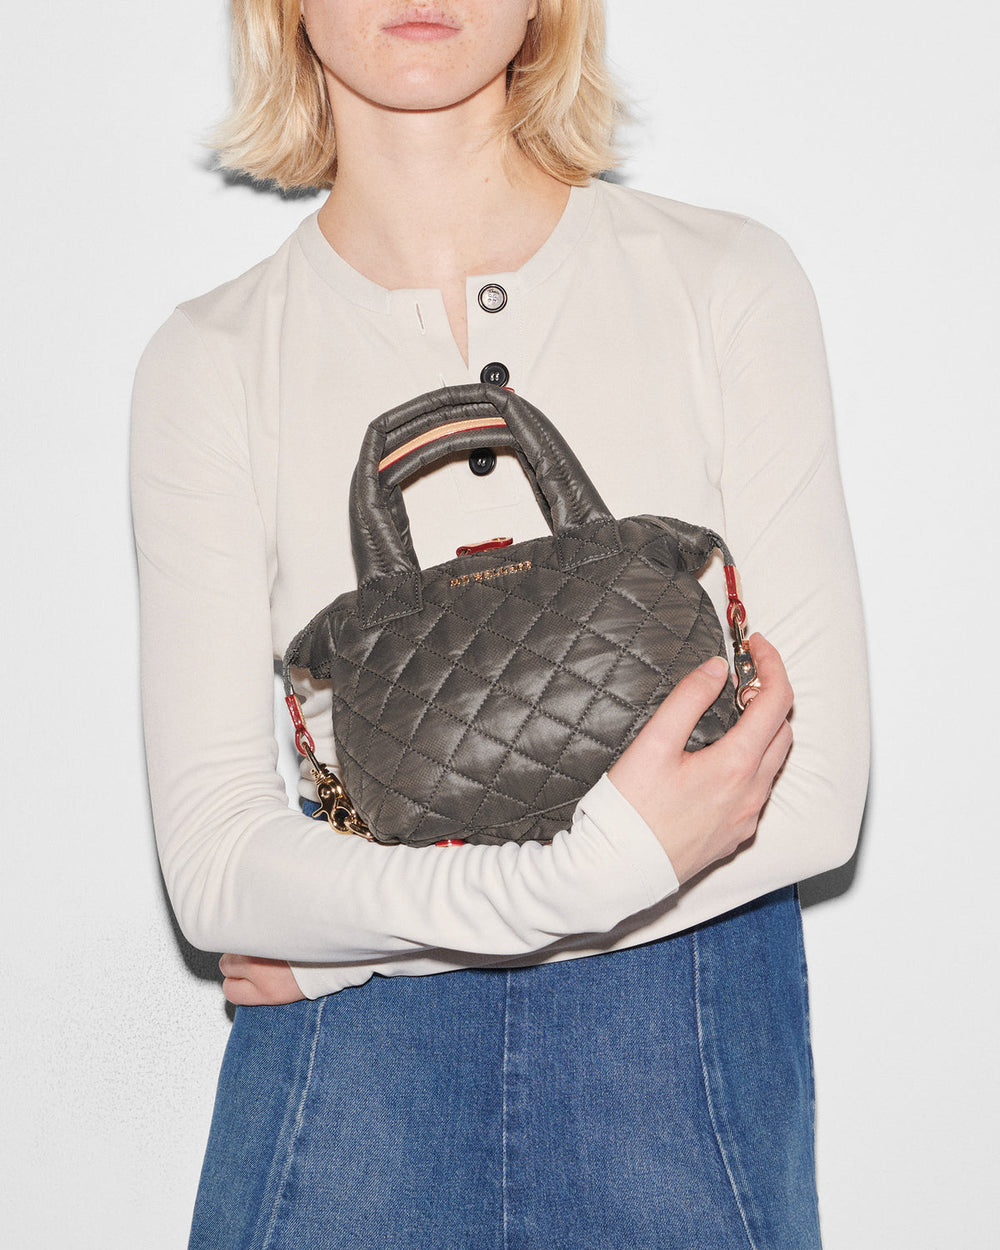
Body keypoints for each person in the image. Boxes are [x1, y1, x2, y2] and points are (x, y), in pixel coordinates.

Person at [130, 1, 869, 1246]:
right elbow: (214, 868)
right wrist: (593, 873)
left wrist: (348, 947)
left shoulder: (721, 281)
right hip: (352, 1082)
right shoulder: (211, 359)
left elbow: (817, 790)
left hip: (670, 1050)